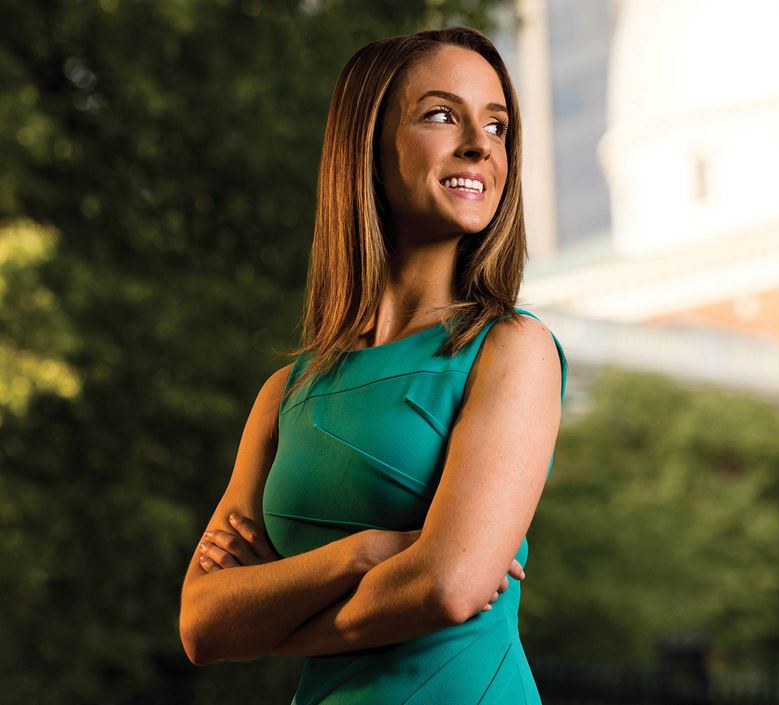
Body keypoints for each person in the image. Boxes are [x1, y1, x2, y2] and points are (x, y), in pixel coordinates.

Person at [179, 25, 567, 704]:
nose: (480, 143)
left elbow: (447, 586)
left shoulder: (511, 348)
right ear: (367, 145)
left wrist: (279, 624)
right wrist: (367, 553)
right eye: (442, 114)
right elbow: (204, 622)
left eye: (498, 125)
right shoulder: (284, 394)